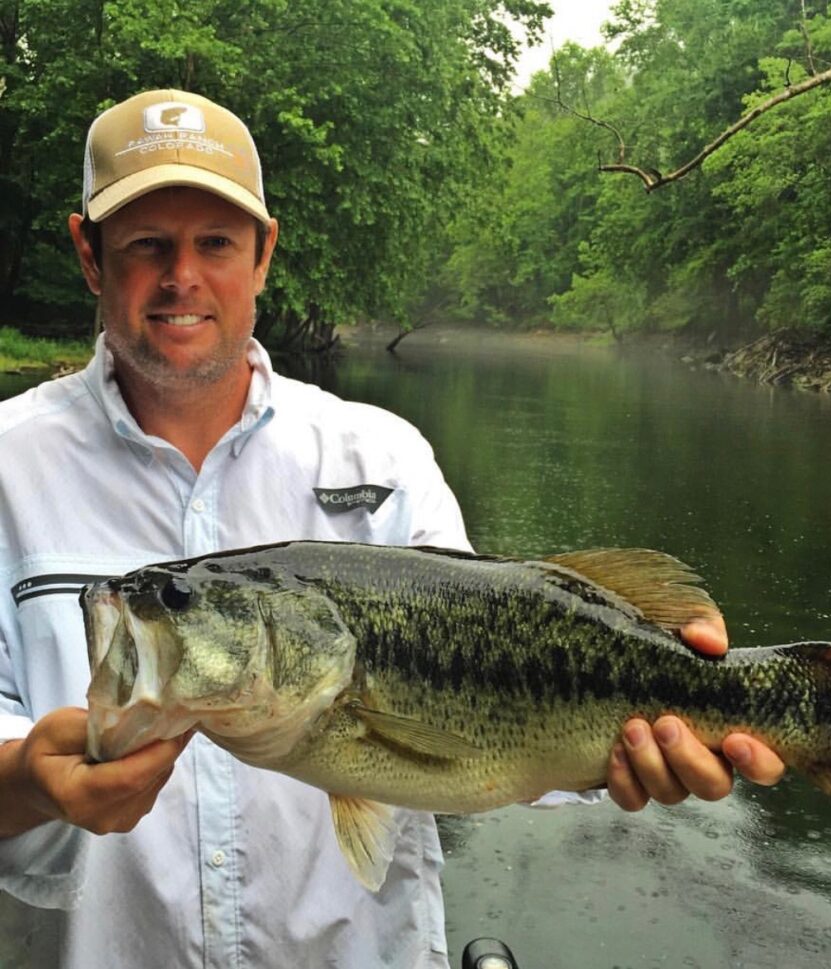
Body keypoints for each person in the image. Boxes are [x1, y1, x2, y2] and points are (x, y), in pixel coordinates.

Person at [0, 90, 784, 967]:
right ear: (89, 255)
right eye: (146, 243)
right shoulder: (8, 466)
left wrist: (636, 755)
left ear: (263, 254)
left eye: (214, 242)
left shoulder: (383, 454)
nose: (182, 276)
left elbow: (499, 727)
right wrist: (26, 781)